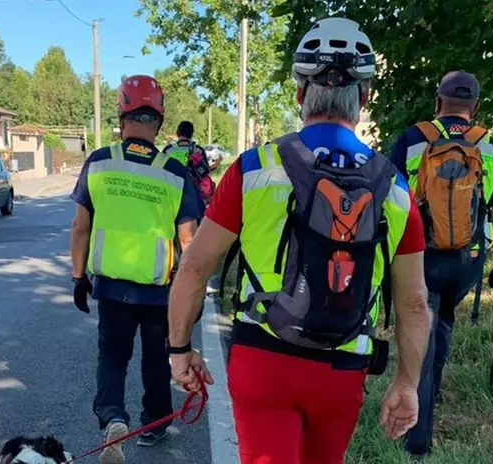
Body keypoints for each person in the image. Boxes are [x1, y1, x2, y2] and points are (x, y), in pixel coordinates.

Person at [166, 18, 433, 464]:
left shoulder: (254, 168)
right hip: (342, 365)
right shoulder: (396, 187)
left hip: (263, 358)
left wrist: (178, 350)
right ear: (363, 99)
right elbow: (414, 303)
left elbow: (195, 265)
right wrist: (406, 384)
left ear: (298, 94)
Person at [68, 75, 202, 464]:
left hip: (111, 287)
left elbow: (80, 226)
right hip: (160, 289)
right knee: (156, 357)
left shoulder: (99, 162)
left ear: (122, 116)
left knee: (112, 356)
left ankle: (113, 417)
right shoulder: (174, 173)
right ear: (159, 121)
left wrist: (79, 277)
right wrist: (191, 296)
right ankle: (155, 422)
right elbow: (188, 241)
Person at [389, 70, 493, 456]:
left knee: (420, 323)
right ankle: (430, 393)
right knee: (442, 319)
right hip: (468, 258)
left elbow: (389, 202)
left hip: (419, 253)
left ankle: (417, 431)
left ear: (438, 102)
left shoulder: (413, 140)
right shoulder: (491, 146)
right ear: (474, 108)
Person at [163, 120, 214, 215]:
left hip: (171, 194)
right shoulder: (198, 150)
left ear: (178, 133)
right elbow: (205, 172)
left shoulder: (169, 150)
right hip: (195, 195)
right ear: (191, 134)